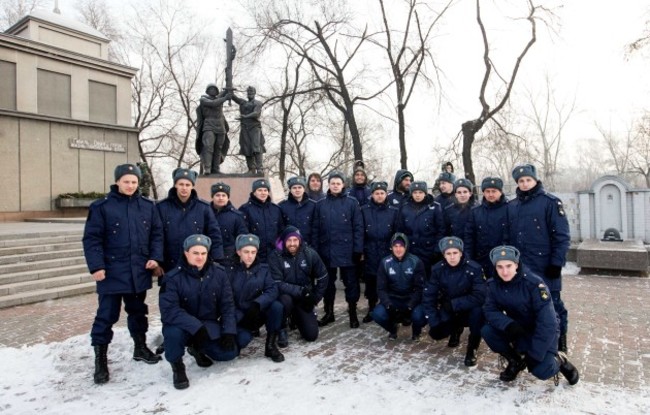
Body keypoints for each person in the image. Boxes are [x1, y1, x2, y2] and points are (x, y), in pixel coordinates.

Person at [83, 163, 164, 385]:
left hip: (138, 271)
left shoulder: (147, 206)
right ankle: (100, 360)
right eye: (126, 181)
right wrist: (96, 266)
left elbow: (156, 235)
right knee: (106, 316)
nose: (130, 185)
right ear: (117, 181)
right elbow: (92, 239)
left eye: (134, 182)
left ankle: (140, 347)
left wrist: (155, 258)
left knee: (138, 313)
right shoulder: (102, 207)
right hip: (111, 272)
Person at [481, 245, 579, 385]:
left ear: (516, 264)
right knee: (487, 331)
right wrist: (508, 324)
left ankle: (560, 361)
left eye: (508, 266)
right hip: (518, 328)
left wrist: (535, 354)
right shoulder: (493, 285)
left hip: (542, 331)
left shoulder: (534, 284)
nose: (505, 271)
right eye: (500, 267)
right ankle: (515, 361)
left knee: (540, 370)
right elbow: (490, 310)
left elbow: (548, 323)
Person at [159, 234, 238, 389]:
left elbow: (227, 305)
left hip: (207, 323)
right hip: (181, 325)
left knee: (229, 353)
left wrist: (229, 330)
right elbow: (169, 311)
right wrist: (195, 327)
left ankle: (197, 349)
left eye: (203, 253)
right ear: (186, 253)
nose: (200, 257)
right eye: (195, 253)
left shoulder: (219, 274)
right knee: (172, 335)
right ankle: (178, 367)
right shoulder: (172, 278)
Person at [507, 164, 571, 353]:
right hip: (522, 267)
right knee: (523, 304)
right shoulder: (512, 206)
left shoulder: (550, 202)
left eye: (528, 180)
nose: (525, 184)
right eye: (521, 181)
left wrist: (556, 262)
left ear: (535, 180)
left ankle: (561, 340)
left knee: (553, 304)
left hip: (545, 266)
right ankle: (528, 339)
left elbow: (561, 235)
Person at [312, 171, 364, 328]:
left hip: (347, 250)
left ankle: (353, 313)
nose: (335, 186)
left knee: (351, 283)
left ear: (343, 185)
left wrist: (358, 249)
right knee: (328, 284)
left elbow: (358, 227)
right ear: (328, 185)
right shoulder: (320, 204)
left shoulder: (352, 203)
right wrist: (315, 251)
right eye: (332, 183)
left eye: (338, 183)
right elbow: (315, 229)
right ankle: (329, 313)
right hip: (326, 250)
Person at [423, 237, 486, 366]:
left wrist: (454, 304)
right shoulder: (437, 269)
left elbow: (480, 296)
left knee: (478, 313)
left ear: (461, 253)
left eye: (455, 253)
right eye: (448, 253)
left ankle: (472, 348)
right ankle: (455, 331)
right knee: (437, 333)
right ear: (444, 255)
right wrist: (433, 321)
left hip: (468, 308)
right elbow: (429, 295)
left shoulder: (474, 268)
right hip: (448, 308)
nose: (452, 257)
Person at [228, 234, 285, 363]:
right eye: (246, 252)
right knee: (238, 344)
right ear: (238, 252)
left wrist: (258, 304)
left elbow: (272, 289)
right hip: (240, 316)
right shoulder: (229, 272)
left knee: (277, 306)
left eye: (253, 252)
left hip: (257, 312)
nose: (250, 256)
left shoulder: (264, 269)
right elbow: (226, 299)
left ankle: (270, 345)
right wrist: (238, 317)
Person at [156, 168, 224, 276]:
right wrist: (157, 261)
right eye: (181, 184)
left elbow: (214, 235)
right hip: (170, 266)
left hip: (197, 266)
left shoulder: (203, 208)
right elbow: (157, 236)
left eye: (188, 185)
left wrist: (216, 260)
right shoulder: (161, 207)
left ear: (192, 186)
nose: (184, 188)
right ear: (175, 185)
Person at [269, 226, 329, 346]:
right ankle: (282, 327)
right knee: (285, 301)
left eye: (295, 240)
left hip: (304, 298)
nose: (292, 244)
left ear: (300, 240)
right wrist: (302, 291)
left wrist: (315, 298)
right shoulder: (275, 256)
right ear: (284, 241)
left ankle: (296, 317)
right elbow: (277, 283)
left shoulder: (309, 253)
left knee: (311, 336)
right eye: (289, 240)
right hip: (285, 297)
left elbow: (323, 276)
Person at [371, 233, 426, 340]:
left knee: (420, 316)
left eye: (401, 246)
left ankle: (416, 332)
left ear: (406, 247)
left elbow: (420, 288)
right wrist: (388, 305)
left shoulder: (416, 262)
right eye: (395, 246)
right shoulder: (385, 263)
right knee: (377, 314)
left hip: (411, 299)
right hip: (393, 299)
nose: (398, 249)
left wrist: (411, 305)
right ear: (391, 247)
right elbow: (381, 288)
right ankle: (392, 329)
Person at [359, 181, 399, 323]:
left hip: (387, 251)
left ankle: (388, 307)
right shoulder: (364, 210)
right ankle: (371, 308)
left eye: (382, 193)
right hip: (370, 251)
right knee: (371, 282)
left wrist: (395, 250)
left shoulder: (394, 211)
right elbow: (360, 231)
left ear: (386, 194)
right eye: (377, 193)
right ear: (372, 194)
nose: (380, 195)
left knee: (388, 281)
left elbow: (396, 233)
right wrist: (361, 250)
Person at [396, 181, 445, 277]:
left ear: (425, 193)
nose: (417, 195)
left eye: (420, 192)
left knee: (428, 278)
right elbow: (400, 230)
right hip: (410, 251)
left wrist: (437, 250)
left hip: (429, 251)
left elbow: (441, 230)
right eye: (415, 192)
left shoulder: (435, 207)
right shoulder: (405, 208)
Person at [465, 177, 509, 280]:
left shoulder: (510, 209)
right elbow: (469, 237)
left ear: (501, 192)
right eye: (487, 191)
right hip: (481, 259)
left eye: (494, 191)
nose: (490, 194)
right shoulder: (475, 212)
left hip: (504, 259)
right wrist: (468, 259)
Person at [239, 178, 285, 263]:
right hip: (254, 256)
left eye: (265, 190)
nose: (263, 193)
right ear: (254, 192)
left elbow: (281, 232)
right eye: (259, 190)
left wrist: (280, 249)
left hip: (274, 255)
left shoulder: (276, 209)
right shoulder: (245, 209)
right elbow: (243, 233)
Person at [195, 83, 230, 175]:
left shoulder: (218, 98)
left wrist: (228, 90)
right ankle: (207, 168)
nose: (212, 91)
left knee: (218, 148)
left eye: (214, 89)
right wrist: (225, 98)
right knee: (208, 147)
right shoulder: (204, 99)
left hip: (220, 126)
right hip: (209, 125)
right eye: (210, 89)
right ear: (207, 91)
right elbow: (213, 104)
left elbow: (222, 95)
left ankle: (215, 169)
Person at [210, 182, 248, 266]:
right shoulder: (205, 213)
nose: (221, 198)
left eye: (224, 195)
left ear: (228, 197)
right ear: (212, 197)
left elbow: (242, 238)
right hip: (207, 258)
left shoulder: (237, 216)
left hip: (230, 260)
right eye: (217, 195)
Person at [232, 86, 265, 175]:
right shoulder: (243, 102)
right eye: (248, 91)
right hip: (244, 128)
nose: (250, 93)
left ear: (255, 93)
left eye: (252, 91)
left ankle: (260, 168)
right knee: (246, 148)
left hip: (254, 127)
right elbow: (233, 97)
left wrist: (245, 116)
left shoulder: (258, 103)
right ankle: (251, 168)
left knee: (256, 147)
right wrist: (229, 89)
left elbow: (256, 113)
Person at [279, 176, 316, 245]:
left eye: (300, 187)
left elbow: (316, 228)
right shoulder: (282, 206)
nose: (297, 190)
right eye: (294, 188)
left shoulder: (313, 205)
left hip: (308, 245)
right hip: (290, 245)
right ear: (290, 190)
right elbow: (280, 229)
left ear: (304, 189)